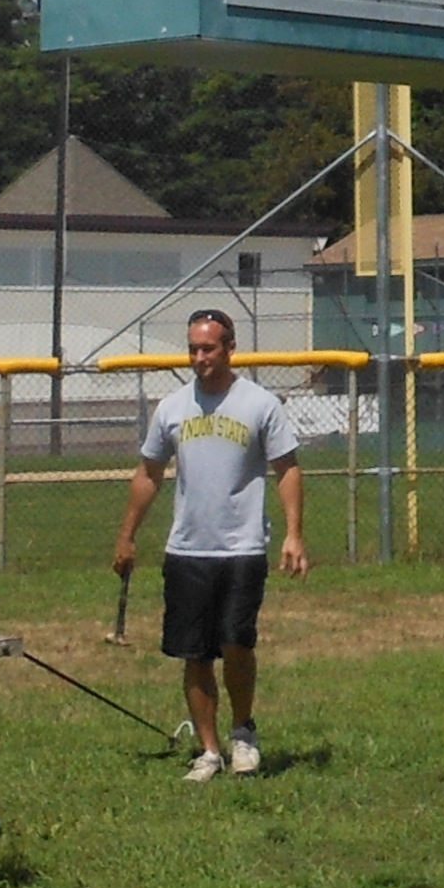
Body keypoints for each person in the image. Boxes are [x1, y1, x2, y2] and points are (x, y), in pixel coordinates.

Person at [109, 309, 303, 782]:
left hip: (242, 548)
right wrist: (127, 535)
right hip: (187, 550)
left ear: (230, 348)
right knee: (194, 653)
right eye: (193, 349)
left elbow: (288, 469)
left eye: (209, 348)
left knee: (236, 642)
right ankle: (209, 751)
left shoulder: (259, 404)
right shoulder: (173, 408)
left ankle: (243, 733)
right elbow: (149, 473)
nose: (200, 358)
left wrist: (294, 534)